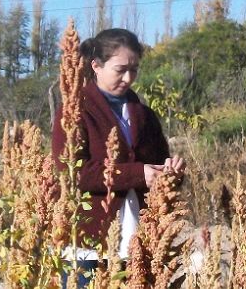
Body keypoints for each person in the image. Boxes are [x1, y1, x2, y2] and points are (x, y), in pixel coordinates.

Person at [52, 28, 185, 287]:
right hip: (87, 241)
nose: (128, 77)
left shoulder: (144, 115)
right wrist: (138, 173)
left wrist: (171, 174)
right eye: (120, 69)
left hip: (138, 236)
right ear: (96, 66)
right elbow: (72, 173)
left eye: (134, 70)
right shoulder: (75, 111)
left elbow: (157, 167)